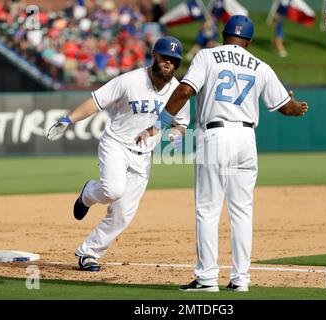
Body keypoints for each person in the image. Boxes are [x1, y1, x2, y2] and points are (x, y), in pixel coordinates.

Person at [137, 15, 309, 292]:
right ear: (249, 42)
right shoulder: (260, 66)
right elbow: (285, 107)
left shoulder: (208, 56)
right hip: (246, 138)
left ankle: (206, 279)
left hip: (215, 135)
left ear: (224, 34)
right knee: (242, 211)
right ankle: (240, 280)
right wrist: (298, 106)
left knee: (207, 209)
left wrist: (159, 123)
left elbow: (184, 90)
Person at [47, 36, 190, 272]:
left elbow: (181, 123)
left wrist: (177, 133)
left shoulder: (178, 91)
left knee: (122, 214)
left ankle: (89, 254)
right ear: (154, 56)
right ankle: (88, 195)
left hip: (143, 156)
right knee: (113, 189)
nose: (169, 63)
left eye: (174, 60)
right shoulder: (130, 80)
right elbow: (96, 101)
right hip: (116, 144)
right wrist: (68, 119)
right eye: (165, 57)